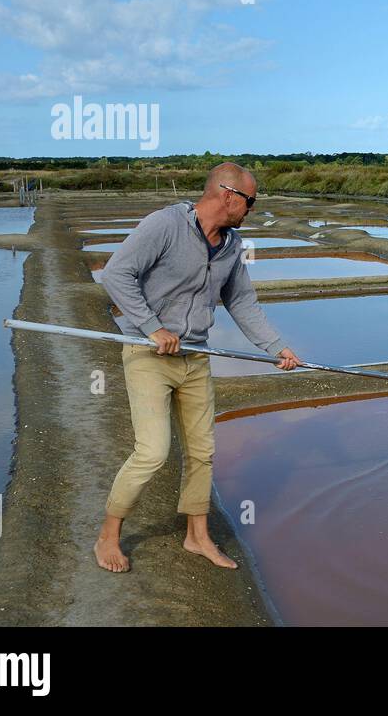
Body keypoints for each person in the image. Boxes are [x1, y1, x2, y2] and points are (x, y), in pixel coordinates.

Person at [93, 162, 300, 572]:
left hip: (197, 356)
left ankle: (197, 536)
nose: (252, 209)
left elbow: (240, 301)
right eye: (251, 201)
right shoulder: (165, 225)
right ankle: (108, 536)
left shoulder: (231, 245)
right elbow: (116, 273)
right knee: (152, 451)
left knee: (203, 453)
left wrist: (277, 347)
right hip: (149, 355)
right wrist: (152, 328)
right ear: (228, 196)